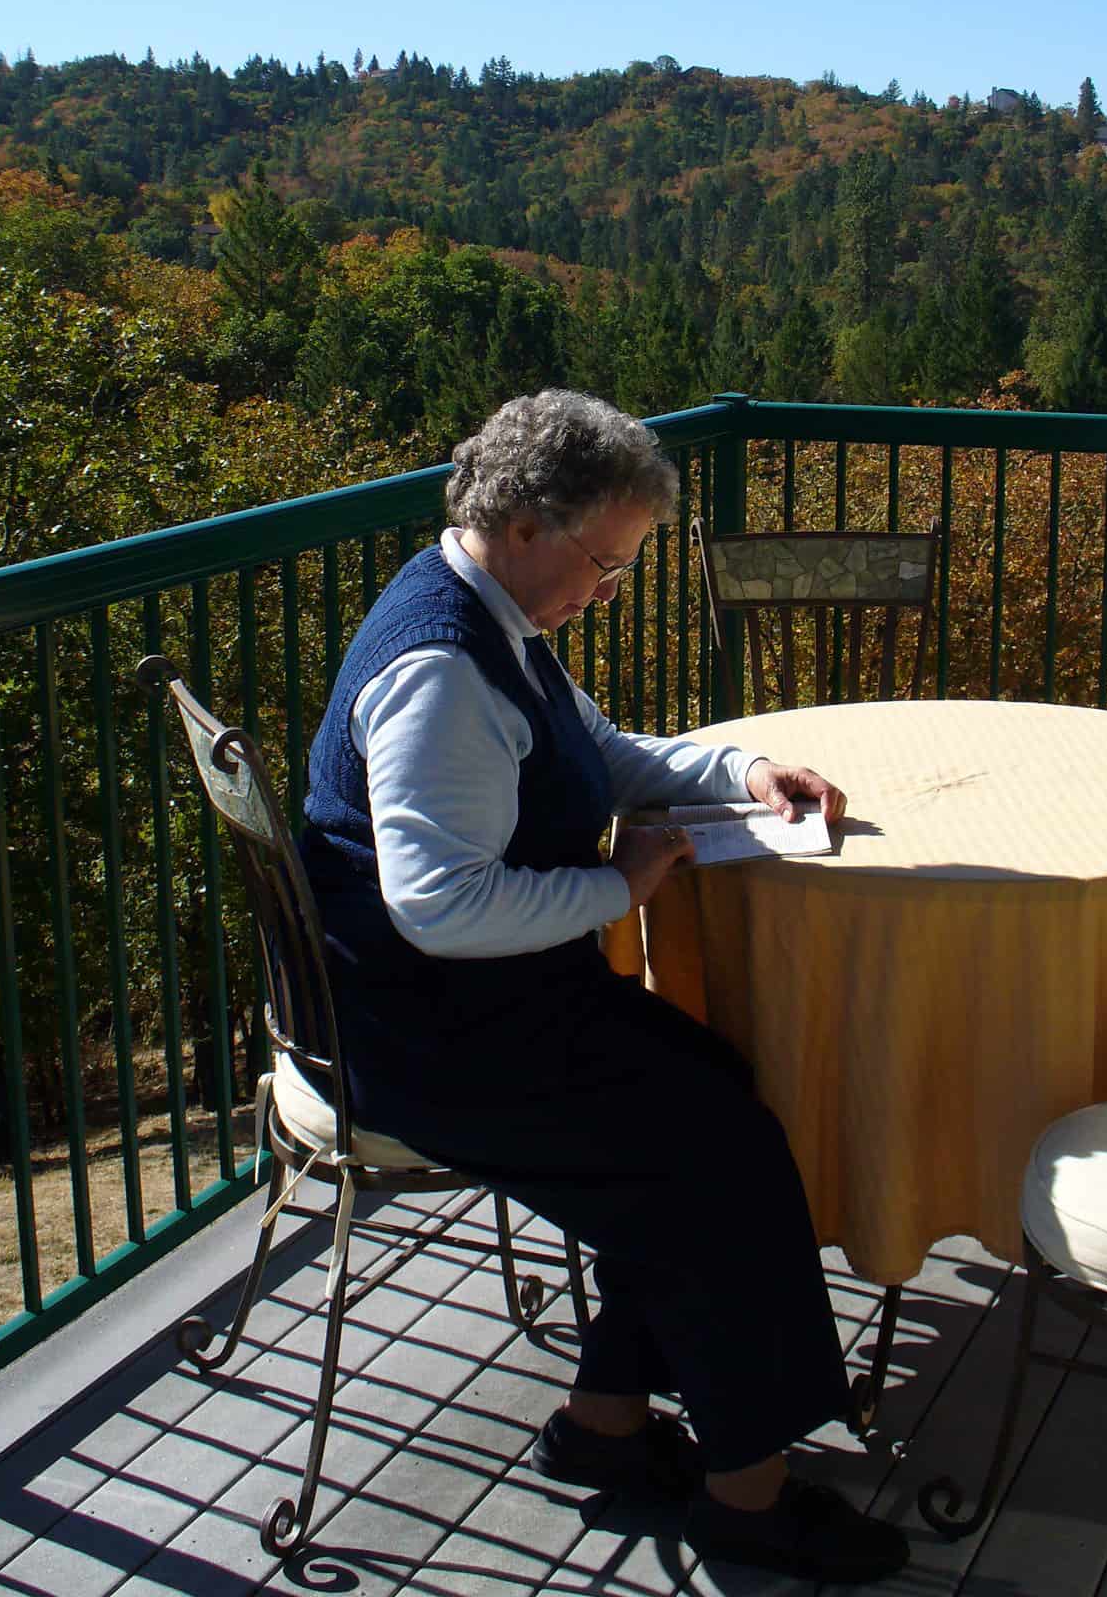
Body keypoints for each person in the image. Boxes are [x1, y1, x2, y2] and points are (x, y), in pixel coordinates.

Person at [302, 389, 908, 1583]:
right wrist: (618, 887)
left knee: (713, 1093)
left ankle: (608, 1424)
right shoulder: (443, 670)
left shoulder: (489, 615)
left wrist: (742, 769)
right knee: (719, 1150)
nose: (609, 591)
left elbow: (597, 753)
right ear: (525, 521)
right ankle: (747, 1495)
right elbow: (440, 905)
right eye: (604, 563)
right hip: (432, 1040)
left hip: (483, 1005)